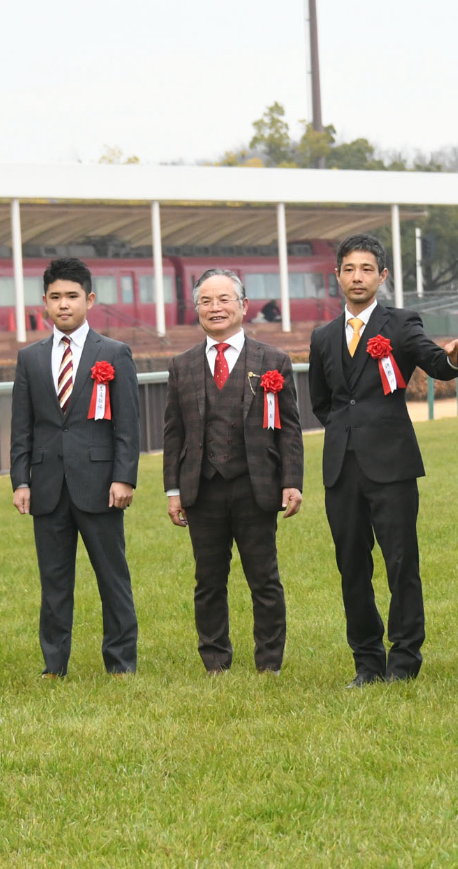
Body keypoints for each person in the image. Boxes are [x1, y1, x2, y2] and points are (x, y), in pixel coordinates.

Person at [308, 233, 458, 687]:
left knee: (401, 562)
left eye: (366, 269)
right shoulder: (322, 337)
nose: (357, 277)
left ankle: (404, 660)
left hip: (392, 466)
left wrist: (454, 359)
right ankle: (366, 662)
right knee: (351, 565)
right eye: (348, 269)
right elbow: (323, 403)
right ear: (336, 276)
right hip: (341, 467)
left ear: (382, 276)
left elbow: (435, 362)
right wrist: (348, 431)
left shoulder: (400, 324)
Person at [163, 269, 304, 675]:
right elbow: (173, 433)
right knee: (208, 582)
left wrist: (291, 482)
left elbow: (290, 428)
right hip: (201, 489)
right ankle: (215, 661)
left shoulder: (273, 361)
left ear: (243, 306)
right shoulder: (182, 365)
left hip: (256, 486)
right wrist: (172, 490)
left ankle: (269, 663)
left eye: (224, 299)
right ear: (196, 311)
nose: (215, 308)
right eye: (206, 301)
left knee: (264, 579)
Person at [10, 258, 141, 678]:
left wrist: (124, 476)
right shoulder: (30, 358)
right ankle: (54, 665)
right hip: (47, 487)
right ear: (44, 303)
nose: (63, 305)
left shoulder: (114, 353)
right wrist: (20, 480)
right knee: (54, 584)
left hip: (100, 485)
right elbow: (22, 426)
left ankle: (120, 663)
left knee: (112, 579)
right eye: (54, 298)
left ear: (90, 300)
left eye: (71, 297)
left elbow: (127, 424)